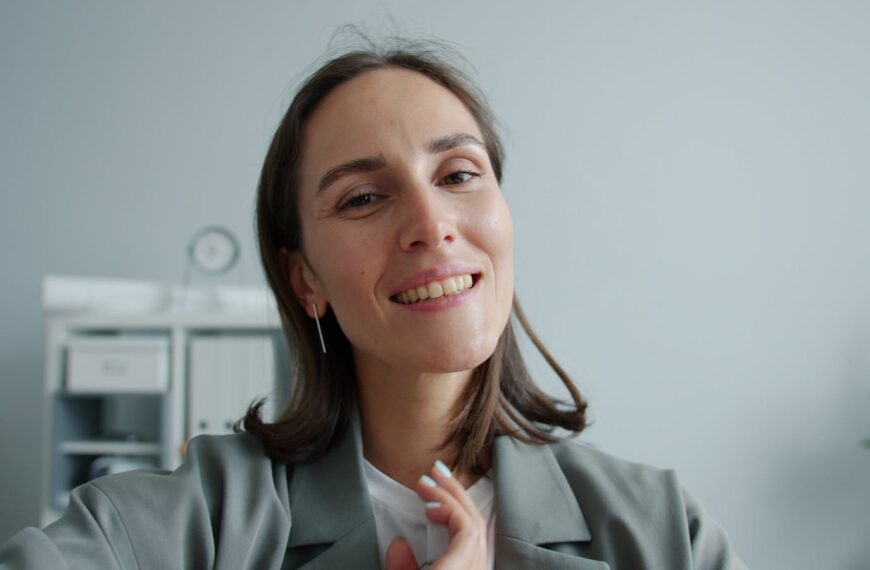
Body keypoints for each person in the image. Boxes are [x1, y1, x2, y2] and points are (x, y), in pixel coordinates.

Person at [0, 38, 748, 569]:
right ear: (305, 281)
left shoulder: (661, 529)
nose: (431, 225)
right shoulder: (196, 517)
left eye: (458, 175)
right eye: (362, 197)